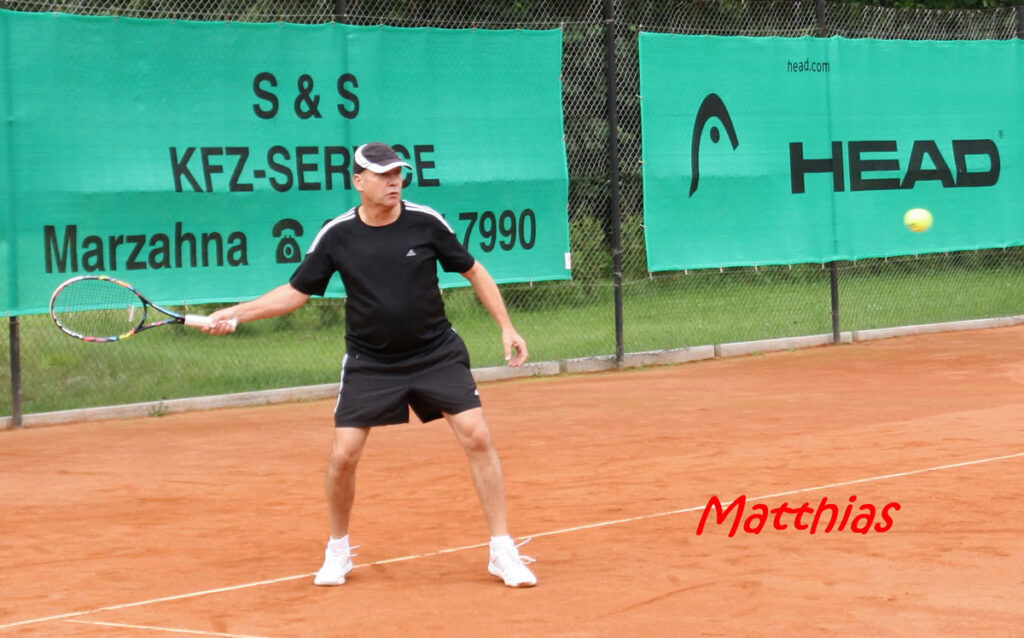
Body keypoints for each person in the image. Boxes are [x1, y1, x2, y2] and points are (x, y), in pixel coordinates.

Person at [202, 142, 537, 588]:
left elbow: (474, 270)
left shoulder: (426, 222)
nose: (394, 182)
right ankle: (338, 550)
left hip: (435, 353)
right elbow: (296, 292)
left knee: (477, 435)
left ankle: (502, 550)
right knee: (343, 455)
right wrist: (236, 313)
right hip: (371, 361)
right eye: (383, 175)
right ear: (359, 181)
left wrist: (507, 327)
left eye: (398, 173)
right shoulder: (337, 234)